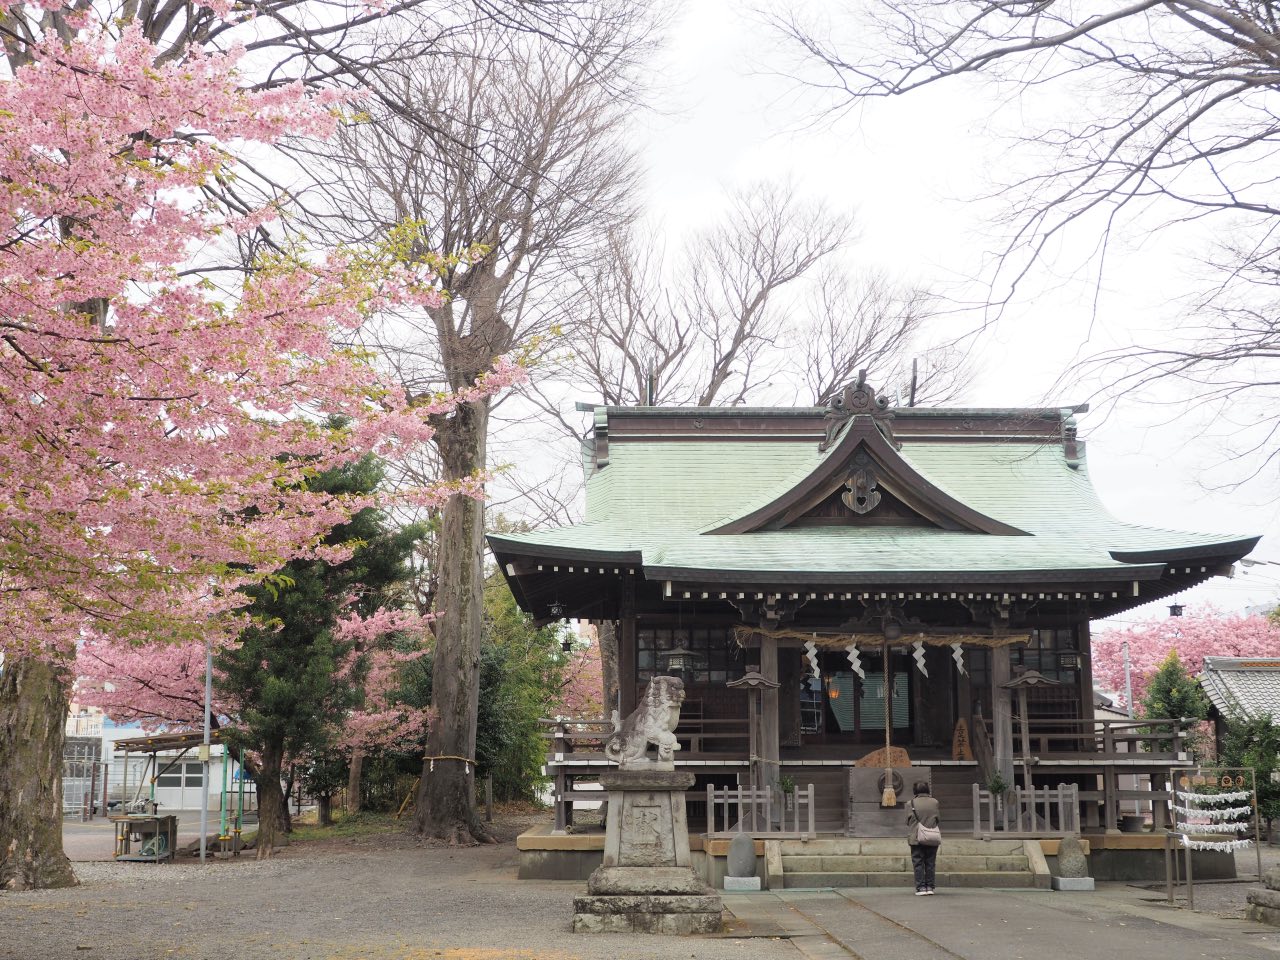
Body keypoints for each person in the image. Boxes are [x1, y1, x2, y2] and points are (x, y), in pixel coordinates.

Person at [907, 780, 940, 895]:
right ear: (927, 790)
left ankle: (921, 887)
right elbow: (938, 818)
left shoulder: (910, 803)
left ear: (915, 791)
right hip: (931, 837)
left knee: (918, 862)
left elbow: (907, 820)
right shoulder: (935, 802)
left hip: (916, 837)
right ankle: (930, 886)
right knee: (930, 862)